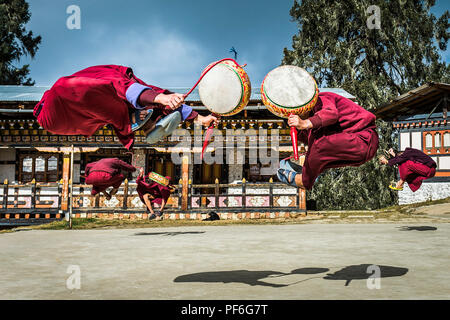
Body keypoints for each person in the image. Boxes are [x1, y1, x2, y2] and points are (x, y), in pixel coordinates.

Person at [33, 65, 218, 150]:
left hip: (72, 116)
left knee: (124, 107)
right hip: (57, 103)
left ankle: (147, 123)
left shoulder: (118, 99)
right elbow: (133, 90)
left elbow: (153, 94)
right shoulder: (115, 81)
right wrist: (162, 98)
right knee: (127, 98)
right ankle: (147, 123)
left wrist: (200, 119)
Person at [277, 92, 379, 190]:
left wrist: (305, 123)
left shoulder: (321, 98)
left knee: (320, 143)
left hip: (364, 138)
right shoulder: (314, 123)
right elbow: (309, 138)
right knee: (318, 146)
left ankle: (304, 180)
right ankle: (308, 173)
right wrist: (298, 128)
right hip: (354, 150)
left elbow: (331, 114)